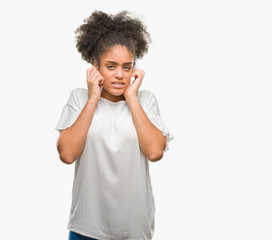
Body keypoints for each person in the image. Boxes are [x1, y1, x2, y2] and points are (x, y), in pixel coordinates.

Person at [55, 10, 173, 240]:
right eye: (111, 66)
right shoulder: (79, 98)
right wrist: (92, 99)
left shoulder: (145, 100)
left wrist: (131, 98)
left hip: (134, 228)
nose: (120, 75)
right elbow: (67, 155)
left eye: (126, 67)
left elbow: (155, 152)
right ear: (94, 65)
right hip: (87, 226)